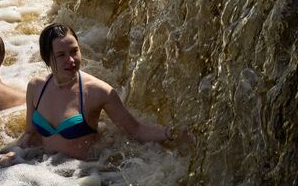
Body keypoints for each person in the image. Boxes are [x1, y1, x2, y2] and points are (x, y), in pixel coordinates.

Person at [14, 23, 195, 160]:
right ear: (47, 58)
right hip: (40, 177)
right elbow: (30, 134)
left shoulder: (99, 92)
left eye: (74, 51)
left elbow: (137, 130)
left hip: (79, 181)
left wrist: (172, 133)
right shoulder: (36, 87)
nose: (70, 60)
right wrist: (8, 156)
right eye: (61, 55)